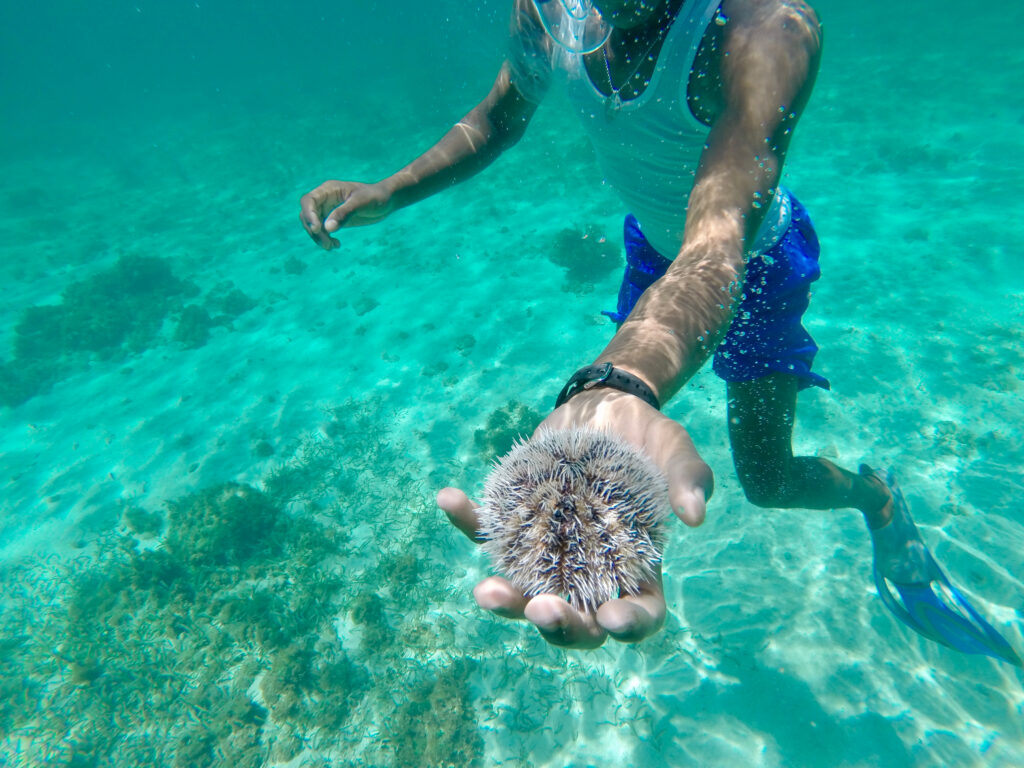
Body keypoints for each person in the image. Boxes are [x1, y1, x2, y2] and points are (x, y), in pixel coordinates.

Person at [299, 0, 1020, 664]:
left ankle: (876, 498)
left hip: (757, 263)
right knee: (625, 443)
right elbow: (498, 116)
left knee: (767, 479)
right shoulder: (548, 12)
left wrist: (615, 382)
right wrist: (389, 190)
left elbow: (715, 243)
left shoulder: (761, 31)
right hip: (651, 250)